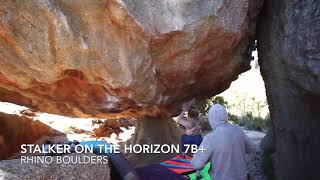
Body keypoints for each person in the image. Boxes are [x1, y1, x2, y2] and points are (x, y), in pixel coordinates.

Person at [191, 104, 256, 180]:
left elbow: (197, 164)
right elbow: (253, 148)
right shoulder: (238, 130)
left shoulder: (210, 138)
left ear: (211, 119)